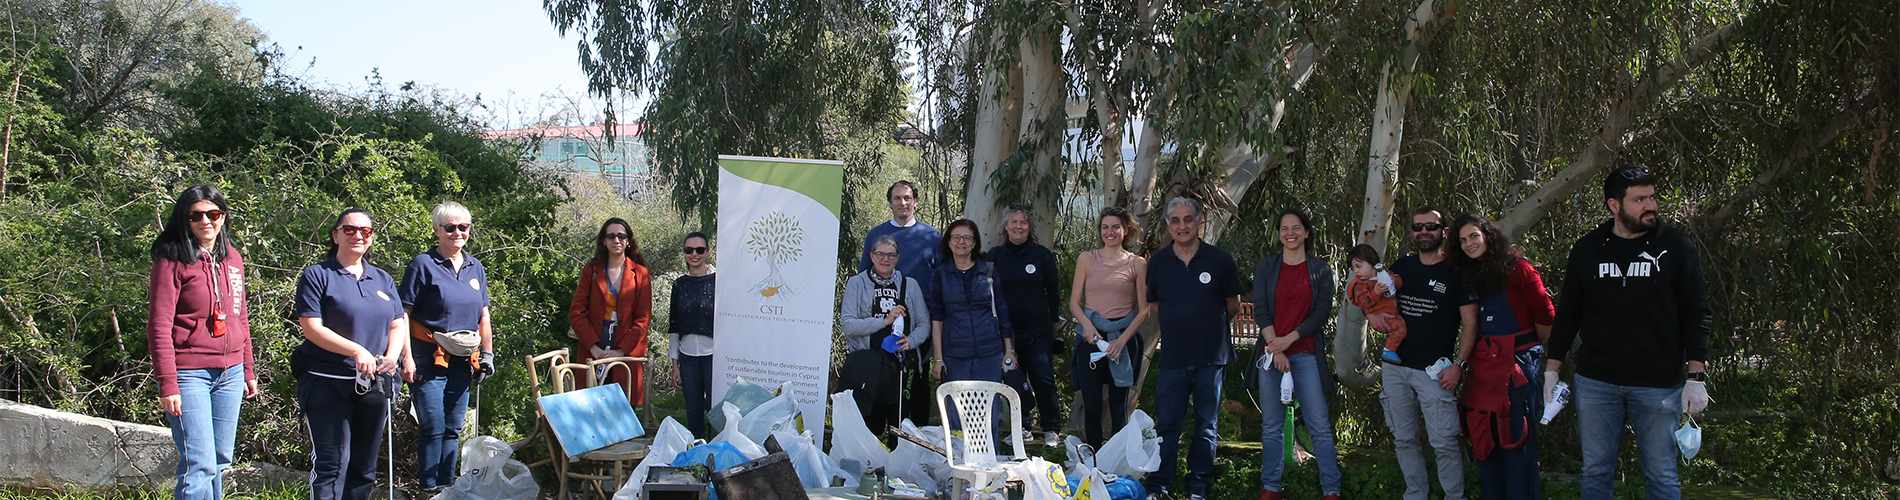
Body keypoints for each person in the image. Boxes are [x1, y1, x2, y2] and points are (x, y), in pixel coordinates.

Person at [1545, 165, 1711, 500]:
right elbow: (1568, 315)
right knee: (1595, 472)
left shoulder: (1675, 246)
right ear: (1614, 205)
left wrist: (1696, 376)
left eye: (1652, 196)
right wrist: (1552, 369)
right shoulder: (1588, 249)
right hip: (1597, 382)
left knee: (1661, 475)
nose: (1650, 205)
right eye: (1639, 199)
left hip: (1658, 384)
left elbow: (1697, 312)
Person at [147, 185, 257, 500]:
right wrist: (168, 383)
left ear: (223, 216)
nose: (206, 221)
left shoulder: (232, 258)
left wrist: (248, 369)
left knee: (220, 461)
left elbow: (240, 316)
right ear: (185, 219)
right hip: (189, 372)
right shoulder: (172, 259)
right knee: (199, 464)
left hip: (231, 373)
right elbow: (159, 324)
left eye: (213, 214)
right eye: (196, 216)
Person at [292, 208, 408, 500]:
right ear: (336, 235)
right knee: (332, 466)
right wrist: (356, 349)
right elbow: (311, 327)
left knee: (363, 468)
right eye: (350, 230)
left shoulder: (382, 279)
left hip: (374, 386)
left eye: (365, 231)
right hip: (327, 384)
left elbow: (398, 322)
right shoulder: (318, 275)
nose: (358, 235)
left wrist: (393, 355)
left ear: (371, 238)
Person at [1142, 197, 1243, 499]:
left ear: (1200, 222)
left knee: (1206, 426)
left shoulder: (1220, 261)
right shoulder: (1158, 263)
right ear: (1168, 225)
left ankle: (1197, 487)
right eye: (1175, 220)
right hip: (1173, 357)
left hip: (1211, 358)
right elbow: (1155, 304)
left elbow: (1233, 306)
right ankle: (1159, 486)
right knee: (1167, 425)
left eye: (1188, 219)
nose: (1182, 225)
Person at [1450, 214, 1554, 499]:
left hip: (1518, 367)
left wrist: (1532, 354)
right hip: (1484, 371)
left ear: (1487, 236)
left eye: (1473, 236)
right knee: (1487, 441)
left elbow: (1545, 315)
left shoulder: (1519, 268)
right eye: (1462, 240)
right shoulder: (1468, 276)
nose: (1469, 244)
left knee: (1518, 442)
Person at [1381, 206, 1478, 500]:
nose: (1424, 232)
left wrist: (1459, 365)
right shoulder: (1402, 267)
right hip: (1395, 368)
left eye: (1431, 227)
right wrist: (1373, 317)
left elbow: (1471, 325)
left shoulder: (1457, 272)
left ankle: (1454, 496)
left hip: (1435, 372)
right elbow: (1378, 301)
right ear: (1411, 232)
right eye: (1418, 227)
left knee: (1445, 441)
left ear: (1443, 232)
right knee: (1404, 439)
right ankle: (1415, 495)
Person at [397, 202, 493, 493]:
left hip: (464, 360)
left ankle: (447, 488)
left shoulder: (475, 267)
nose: (456, 232)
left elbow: (484, 315)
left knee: (453, 427)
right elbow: (403, 314)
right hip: (428, 358)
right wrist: (406, 357)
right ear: (437, 230)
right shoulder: (422, 265)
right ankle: (428, 489)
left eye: (462, 227)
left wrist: (487, 353)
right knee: (432, 425)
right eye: (449, 227)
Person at [1250, 209, 1342, 500]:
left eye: (1296, 228)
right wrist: (1275, 347)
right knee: (1272, 426)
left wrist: (1287, 341)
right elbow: (1261, 308)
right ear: (1279, 234)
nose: (1290, 233)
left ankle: (1331, 490)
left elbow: (1320, 314)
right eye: (1284, 228)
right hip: (1270, 354)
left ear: (1306, 232)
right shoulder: (1267, 266)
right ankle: (1271, 488)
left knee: (1319, 425)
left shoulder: (1320, 269)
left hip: (1305, 354)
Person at [1065, 206, 1150, 448]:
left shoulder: (1137, 263)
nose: (1110, 232)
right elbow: (1074, 302)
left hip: (1123, 338)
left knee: (1118, 404)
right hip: (1091, 338)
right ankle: (1094, 460)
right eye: (1105, 227)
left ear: (1126, 230)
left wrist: (1121, 342)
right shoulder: (1087, 259)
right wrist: (1087, 327)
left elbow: (1144, 310)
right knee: (1091, 402)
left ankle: (1117, 458)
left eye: (1115, 227)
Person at [860, 180, 941, 423]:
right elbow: (864, 277)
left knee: (916, 378)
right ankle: (878, 435)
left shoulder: (932, 237)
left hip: (918, 322)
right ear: (890, 203)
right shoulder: (876, 235)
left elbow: (939, 280)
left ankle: (914, 438)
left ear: (915, 202)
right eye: (897, 198)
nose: (902, 203)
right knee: (881, 374)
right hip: (882, 319)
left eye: (907, 198)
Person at [838, 235, 931, 439]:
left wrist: (911, 341)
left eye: (891, 255)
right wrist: (884, 321)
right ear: (871, 256)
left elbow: (924, 324)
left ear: (897, 258)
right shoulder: (857, 283)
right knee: (869, 426)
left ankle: (899, 468)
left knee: (901, 426)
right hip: (866, 367)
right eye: (880, 254)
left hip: (901, 368)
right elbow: (848, 325)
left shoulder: (910, 285)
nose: (885, 259)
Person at [988, 207, 1064, 444]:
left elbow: (1053, 293)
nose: (1018, 226)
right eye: (1013, 222)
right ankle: (1021, 426)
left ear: (1029, 227)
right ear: (1005, 227)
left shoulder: (1042, 255)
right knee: (1013, 380)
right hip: (1007, 334)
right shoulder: (995, 256)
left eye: (1023, 222)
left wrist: (1054, 326)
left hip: (1038, 331)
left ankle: (1052, 427)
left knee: (1043, 379)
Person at [567, 217, 654, 406]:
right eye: (611, 236)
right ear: (604, 241)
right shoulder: (591, 270)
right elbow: (576, 312)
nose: (617, 240)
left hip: (625, 348)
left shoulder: (640, 274)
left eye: (621, 236)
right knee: (591, 405)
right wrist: (594, 348)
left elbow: (643, 318)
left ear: (628, 241)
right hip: (594, 344)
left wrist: (621, 351)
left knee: (621, 406)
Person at [927, 219, 1013, 388]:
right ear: (949, 242)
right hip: (955, 355)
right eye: (956, 237)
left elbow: (1002, 312)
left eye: (967, 237)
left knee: (989, 409)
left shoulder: (988, 271)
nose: (961, 242)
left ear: (974, 243)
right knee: (956, 411)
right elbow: (937, 319)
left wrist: (1009, 350)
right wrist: (938, 359)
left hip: (990, 353)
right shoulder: (941, 275)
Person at [668, 231, 717, 437]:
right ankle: (698, 458)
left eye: (699, 249)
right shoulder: (679, 284)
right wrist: (675, 364)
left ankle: (720, 460)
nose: (694, 254)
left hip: (714, 356)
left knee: (716, 411)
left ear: (707, 251)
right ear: (684, 253)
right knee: (693, 411)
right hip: (687, 357)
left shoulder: (720, 281)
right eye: (689, 250)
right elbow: (673, 325)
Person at [1346, 244, 1406, 364]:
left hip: (1390, 312)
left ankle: (1390, 349)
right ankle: (1389, 350)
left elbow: (1398, 283)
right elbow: (1363, 302)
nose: (1356, 271)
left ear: (1371, 262)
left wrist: (1394, 281)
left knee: (1400, 328)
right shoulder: (1360, 285)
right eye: (1353, 268)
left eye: (1358, 266)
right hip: (1378, 315)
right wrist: (1375, 292)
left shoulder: (1382, 273)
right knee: (1400, 328)